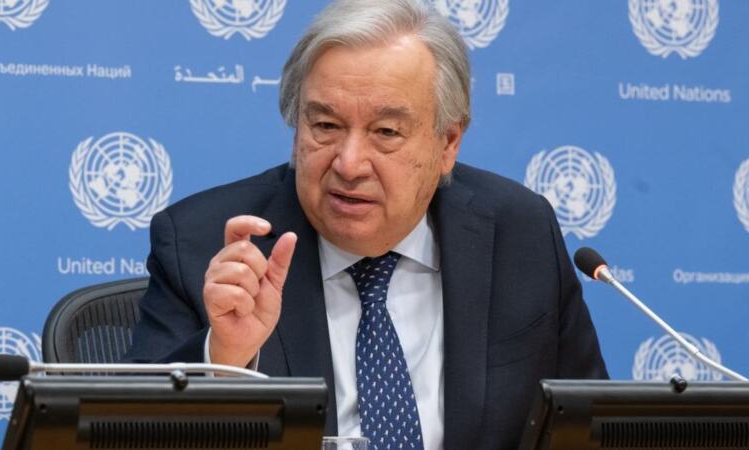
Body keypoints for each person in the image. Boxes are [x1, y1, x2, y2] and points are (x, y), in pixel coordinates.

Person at [125, 0, 608, 448]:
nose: (349, 164)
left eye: (386, 132)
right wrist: (226, 360)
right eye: (326, 126)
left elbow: (589, 429)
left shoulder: (519, 233)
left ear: (447, 144)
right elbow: (131, 436)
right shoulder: (203, 243)